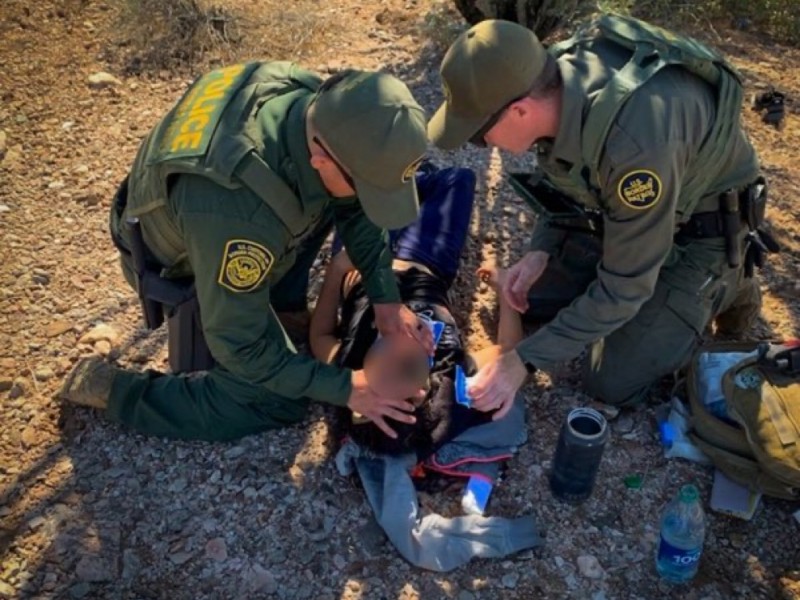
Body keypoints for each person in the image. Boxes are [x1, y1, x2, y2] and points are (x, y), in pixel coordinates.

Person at [59, 61, 435, 441]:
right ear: (321, 158)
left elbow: (356, 211)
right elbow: (239, 345)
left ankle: (282, 312)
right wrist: (347, 389)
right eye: (365, 185)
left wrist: (387, 304)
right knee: (276, 400)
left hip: (210, 217)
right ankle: (114, 389)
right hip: (176, 256)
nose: (364, 197)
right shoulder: (241, 215)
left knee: (331, 196)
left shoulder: (319, 107)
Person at [427, 16, 771, 415]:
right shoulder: (553, 84)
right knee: (528, 297)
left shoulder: (635, 146)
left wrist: (523, 360)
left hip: (704, 232)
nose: (484, 144)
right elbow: (565, 185)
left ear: (519, 111)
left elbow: (626, 287)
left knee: (610, 379)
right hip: (637, 219)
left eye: (478, 133)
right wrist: (542, 250)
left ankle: (732, 281)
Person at [309, 164, 525, 455]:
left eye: (383, 372)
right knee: (459, 179)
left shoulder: (350, 367)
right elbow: (511, 351)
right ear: (423, 392)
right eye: (409, 366)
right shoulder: (449, 372)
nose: (398, 350)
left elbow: (319, 336)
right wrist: (505, 288)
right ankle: (412, 183)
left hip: (361, 261)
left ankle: (406, 184)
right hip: (427, 261)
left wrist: (336, 270)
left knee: (361, 181)